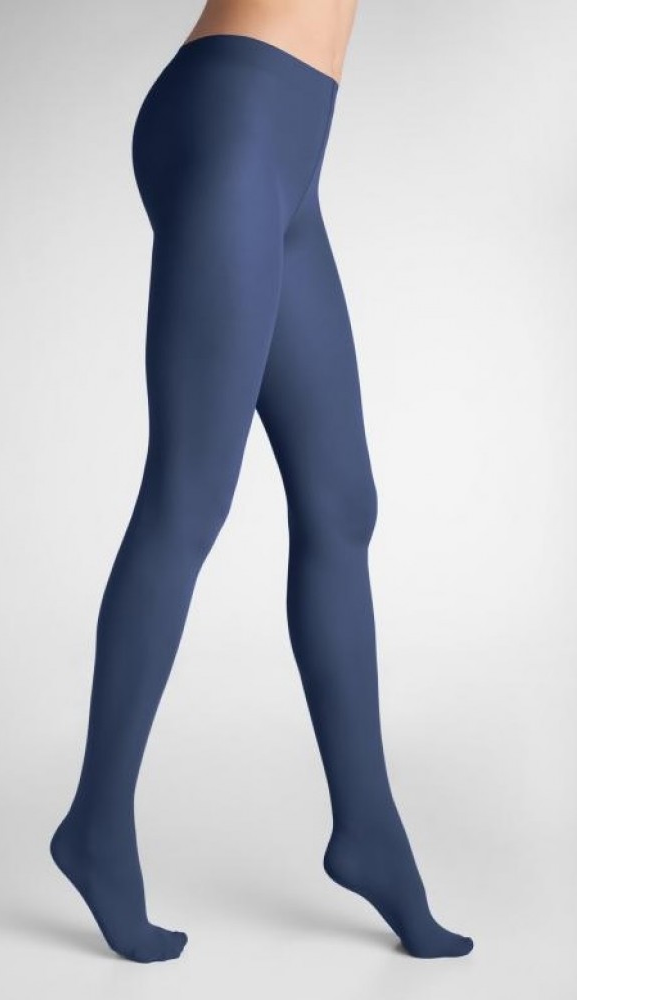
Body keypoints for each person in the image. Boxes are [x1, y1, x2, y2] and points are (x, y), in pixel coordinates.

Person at [51, 0, 473, 963]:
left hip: (285, 137)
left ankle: (367, 828)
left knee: (341, 502)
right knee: (190, 492)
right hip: (237, 115)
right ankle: (96, 824)